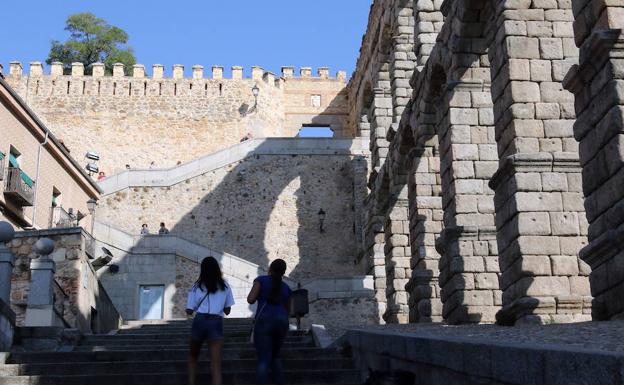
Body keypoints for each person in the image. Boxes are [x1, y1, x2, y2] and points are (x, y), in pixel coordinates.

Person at [187, 257, 235, 385]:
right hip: (216, 322)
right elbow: (227, 311)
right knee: (216, 365)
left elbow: (189, 310)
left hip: (200, 320)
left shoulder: (196, 286)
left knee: (193, 356)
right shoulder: (225, 286)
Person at [247, 259, 291, 385]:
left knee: (264, 359)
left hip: (265, 320)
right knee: (275, 357)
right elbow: (288, 310)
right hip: (282, 322)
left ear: (270, 268)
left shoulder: (261, 280)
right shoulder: (286, 288)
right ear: (283, 272)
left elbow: (250, 299)